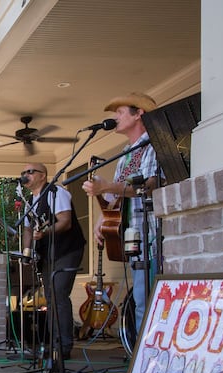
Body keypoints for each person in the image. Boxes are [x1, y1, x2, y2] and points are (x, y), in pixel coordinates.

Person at [82, 92, 159, 334]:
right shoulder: (126, 154)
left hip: (152, 236)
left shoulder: (153, 145)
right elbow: (115, 196)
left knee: (146, 304)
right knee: (139, 301)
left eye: (121, 112)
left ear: (139, 114)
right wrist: (102, 219)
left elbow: (148, 185)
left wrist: (105, 186)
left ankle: (143, 366)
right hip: (132, 237)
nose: (115, 117)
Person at [21, 162, 85, 360]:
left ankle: (64, 345)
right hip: (47, 254)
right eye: (23, 172)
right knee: (50, 298)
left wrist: (46, 232)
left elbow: (65, 221)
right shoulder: (29, 200)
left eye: (30, 172)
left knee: (58, 295)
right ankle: (53, 343)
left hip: (67, 250)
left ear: (43, 175)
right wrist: (26, 252)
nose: (25, 175)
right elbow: (28, 229)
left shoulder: (56, 192)